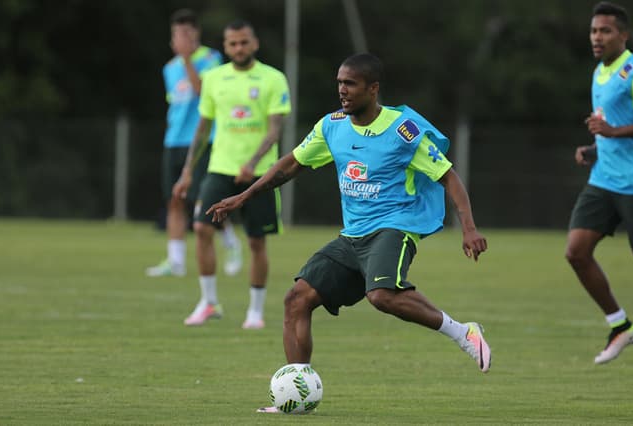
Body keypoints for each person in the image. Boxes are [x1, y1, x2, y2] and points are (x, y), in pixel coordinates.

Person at [208, 53, 491, 412]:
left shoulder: (402, 130)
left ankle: (462, 332)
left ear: (373, 89)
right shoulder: (332, 126)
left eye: (350, 84)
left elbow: (448, 175)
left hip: (395, 225)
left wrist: (468, 228)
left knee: (382, 295)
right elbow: (293, 162)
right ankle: (295, 394)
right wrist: (245, 196)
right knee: (297, 299)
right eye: (340, 82)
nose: (342, 90)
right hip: (353, 235)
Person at [173, 20, 291, 329]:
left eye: (243, 42)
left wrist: (252, 162)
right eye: (233, 44)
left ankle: (255, 311)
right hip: (220, 168)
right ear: (225, 47)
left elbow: (275, 129)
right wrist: (187, 171)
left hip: (260, 174)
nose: (239, 48)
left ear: (254, 44)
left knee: (256, 242)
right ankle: (209, 302)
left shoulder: (273, 78)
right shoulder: (213, 79)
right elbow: (202, 128)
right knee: (201, 228)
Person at [146, 9, 242, 278]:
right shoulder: (169, 68)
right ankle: (175, 261)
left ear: (196, 34)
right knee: (174, 199)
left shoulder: (211, 59)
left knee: (203, 199)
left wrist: (188, 60)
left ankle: (231, 244)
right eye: (177, 34)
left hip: (202, 141)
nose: (182, 39)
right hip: (174, 140)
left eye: (186, 33)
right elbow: (175, 105)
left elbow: (202, 93)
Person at [565, 1, 633, 365]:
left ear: (624, 34)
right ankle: (619, 325)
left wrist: (611, 131)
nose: (597, 37)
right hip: (605, 179)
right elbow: (614, 129)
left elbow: (618, 127)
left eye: (605, 30)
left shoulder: (632, 70)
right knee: (576, 251)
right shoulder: (599, 72)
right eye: (594, 31)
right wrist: (595, 147)